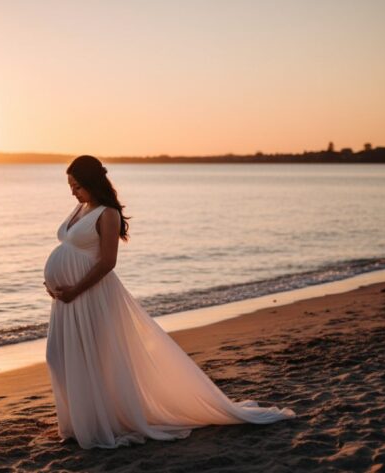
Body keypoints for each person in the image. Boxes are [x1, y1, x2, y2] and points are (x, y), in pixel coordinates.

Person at [42, 155, 296, 449]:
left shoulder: (107, 213)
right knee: (59, 357)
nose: (72, 191)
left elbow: (108, 262)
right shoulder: (81, 207)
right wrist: (55, 282)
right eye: (70, 186)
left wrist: (75, 288)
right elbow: (71, 249)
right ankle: (78, 424)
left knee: (92, 360)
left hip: (89, 296)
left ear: (91, 182)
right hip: (66, 299)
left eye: (77, 186)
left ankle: (97, 425)